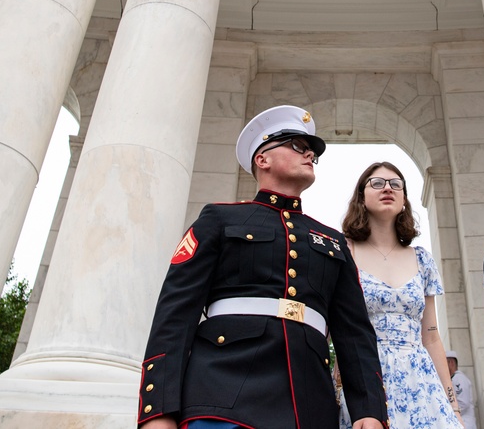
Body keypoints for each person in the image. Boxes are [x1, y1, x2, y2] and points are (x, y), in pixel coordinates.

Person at [138, 105, 388, 429]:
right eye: (298, 146)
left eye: (312, 151)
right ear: (263, 159)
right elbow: (175, 315)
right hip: (221, 394)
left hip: (308, 404)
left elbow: (354, 333)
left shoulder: (332, 241)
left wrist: (370, 411)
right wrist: (158, 412)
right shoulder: (219, 219)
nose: (310, 153)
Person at [339, 161, 463, 429]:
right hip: (367, 378)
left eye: (396, 184)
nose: (388, 188)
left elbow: (430, 337)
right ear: (361, 196)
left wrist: (453, 405)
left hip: (422, 382)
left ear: (404, 199)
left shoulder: (422, 259)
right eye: (378, 183)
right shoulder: (344, 252)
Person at [445, 351, 477, 429]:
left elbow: (463, 403)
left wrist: (448, 413)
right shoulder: (453, 379)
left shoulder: (459, 378)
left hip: (464, 423)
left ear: (451, 362)